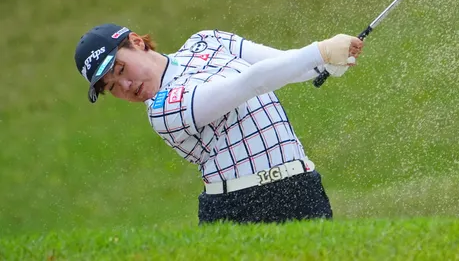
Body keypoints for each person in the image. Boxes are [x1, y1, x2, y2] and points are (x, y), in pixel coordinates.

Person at [74, 23, 363, 225]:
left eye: (121, 69)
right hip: (239, 207)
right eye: (112, 87)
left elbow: (288, 64)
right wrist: (320, 52)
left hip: (302, 188)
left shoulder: (207, 41)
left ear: (137, 42)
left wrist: (327, 63)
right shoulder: (163, 111)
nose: (125, 85)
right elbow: (249, 83)